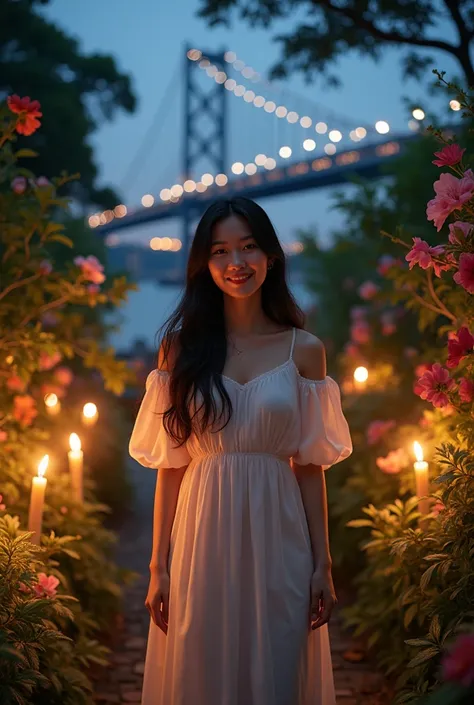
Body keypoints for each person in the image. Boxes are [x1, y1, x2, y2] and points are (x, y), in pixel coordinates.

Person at [129, 196, 352, 705]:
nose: (236, 263)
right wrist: (158, 566)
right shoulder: (182, 350)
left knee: (277, 664)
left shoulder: (305, 349)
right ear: (204, 265)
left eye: (249, 247)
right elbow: (170, 466)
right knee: (202, 667)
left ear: (270, 256)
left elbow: (310, 467)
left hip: (280, 531)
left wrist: (324, 564)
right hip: (203, 530)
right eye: (221, 251)